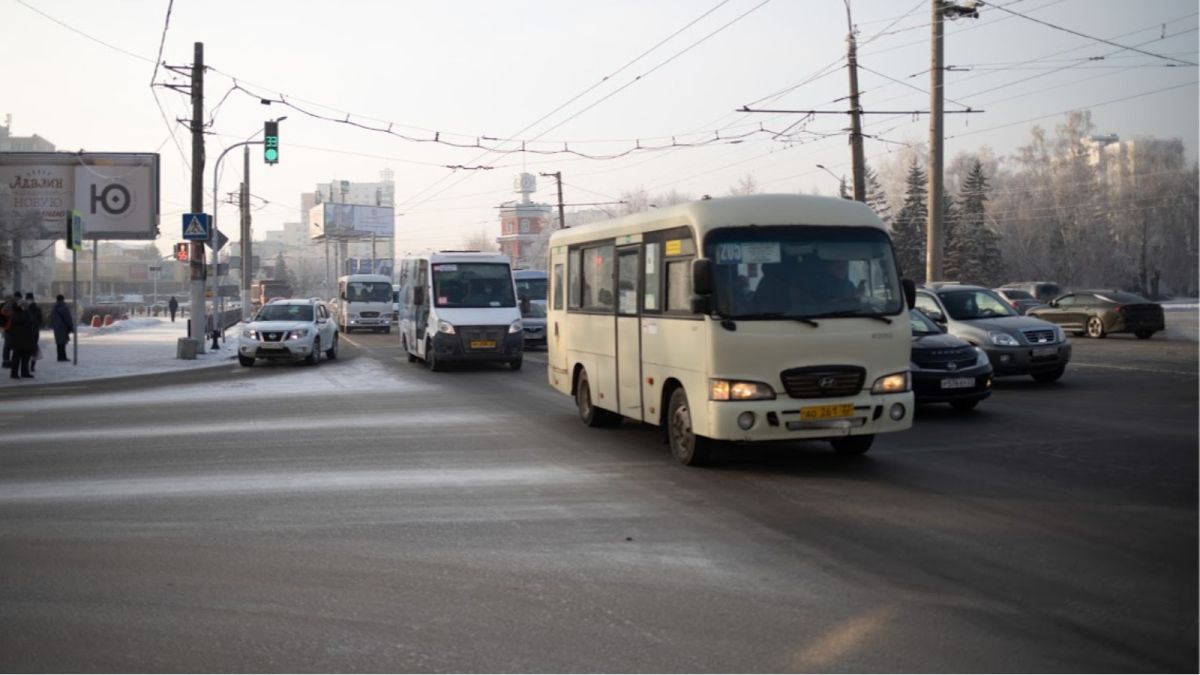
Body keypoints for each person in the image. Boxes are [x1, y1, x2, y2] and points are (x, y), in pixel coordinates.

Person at [7, 302, 35, 379]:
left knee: (22, 357)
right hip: (22, 339)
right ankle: (19, 373)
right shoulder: (21, 314)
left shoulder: (16, 314)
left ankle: (20, 373)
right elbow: (29, 321)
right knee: (20, 357)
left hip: (21, 339)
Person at [50, 294, 73, 362]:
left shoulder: (54, 307)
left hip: (56, 328)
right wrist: (71, 326)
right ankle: (63, 357)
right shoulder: (64, 307)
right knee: (62, 343)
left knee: (58, 343)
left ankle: (59, 356)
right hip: (63, 327)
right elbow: (67, 318)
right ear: (63, 299)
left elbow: (52, 318)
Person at [1, 291, 20, 368]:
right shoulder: (9, 306)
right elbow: (9, 315)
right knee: (8, 345)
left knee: (8, 345)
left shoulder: (7, 305)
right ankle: (7, 361)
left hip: (8, 328)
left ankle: (7, 361)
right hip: (10, 328)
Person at [24, 293, 42, 373]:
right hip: (33, 331)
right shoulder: (33, 308)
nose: (28, 300)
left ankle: (30, 366)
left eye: (29, 299)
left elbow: (38, 319)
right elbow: (40, 320)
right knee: (33, 349)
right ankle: (31, 366)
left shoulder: (30, 308)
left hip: (31, 331)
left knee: (31, 349)